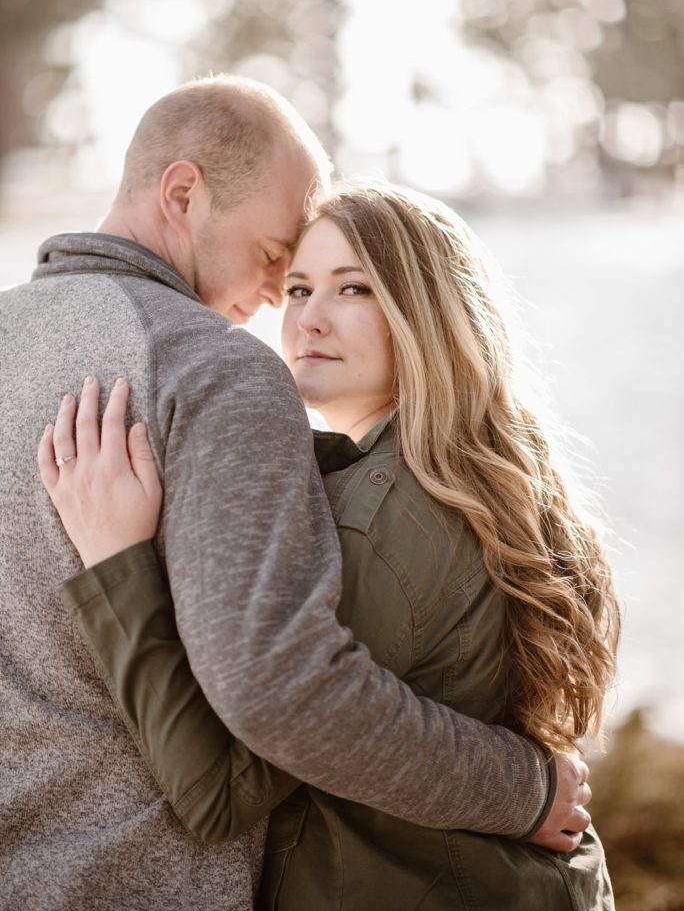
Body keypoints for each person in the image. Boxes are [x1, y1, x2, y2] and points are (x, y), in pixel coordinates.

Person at [1, 78, 583, 911]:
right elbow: (281, 690)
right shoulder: (213, 369)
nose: (281, 300)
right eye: (281, 259)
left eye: (348, 286)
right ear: (182, 194)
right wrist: (525, 791)